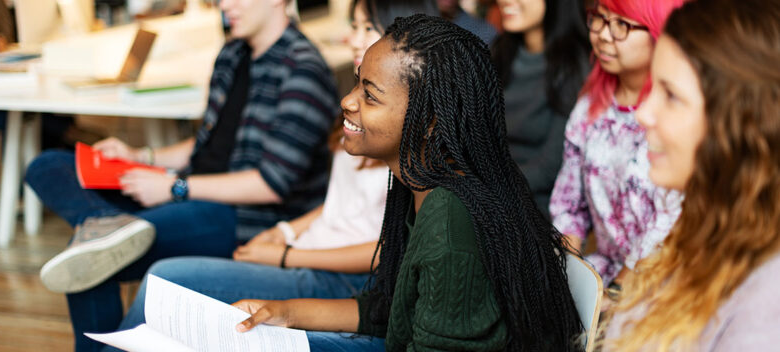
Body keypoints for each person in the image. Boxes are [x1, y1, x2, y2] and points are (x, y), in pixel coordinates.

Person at [233, 15, 583, 351]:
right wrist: (285, 312)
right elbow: (388, 310)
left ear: (428, 120)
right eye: (357, 82)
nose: (347, 101)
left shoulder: (450, 223)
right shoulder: (417, 180)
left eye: (370, 95)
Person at [105, 0, 439, 340]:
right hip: (303, 245)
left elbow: (391, 246)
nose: (353, 40)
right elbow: (345, 205)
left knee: (157, 274)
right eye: (354, 27)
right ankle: (99, 232)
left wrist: (285, 255)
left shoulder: (399, 134)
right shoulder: (235, 55)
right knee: (66, 184)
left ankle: (101, 236)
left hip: (327, 267)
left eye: (367, 28)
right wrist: (286, 232)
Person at [24, 0, 338, 350]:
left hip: (247, 215)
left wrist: (174, 187)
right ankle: (105, 224)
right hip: (191, 187)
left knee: (87, 262)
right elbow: (206, 145)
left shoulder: (303, 70)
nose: (223, 5)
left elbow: (271, 183)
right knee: (49, 165)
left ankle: (103, 231)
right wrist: (142, 157)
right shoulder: (233, 53)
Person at [604, 0, 780, 350]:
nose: (643, 114)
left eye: (671, 95)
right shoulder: (704, 225)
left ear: (740, 123)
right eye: (653, 88)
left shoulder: (766, 306)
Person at [549, 0, 684, 286]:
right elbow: (568, 204)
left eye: (622, 24)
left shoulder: (676, 117)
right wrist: (567, 275)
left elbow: (671, 223)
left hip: (661, 278)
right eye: (599, 18)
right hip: (602, 273)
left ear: (660, 32)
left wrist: (617, 293)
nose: (604, 35)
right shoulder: (589, 108)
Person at [491, 0, 590, 216]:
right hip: (487, 197)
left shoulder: (574, 65)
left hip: (536, 212)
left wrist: (487, 185)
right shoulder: (499, 52)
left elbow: (550, 167)